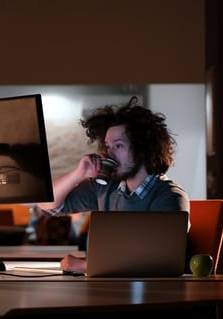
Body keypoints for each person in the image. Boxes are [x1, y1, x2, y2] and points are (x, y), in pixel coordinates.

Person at [37, 96, 190, 274]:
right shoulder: (106, 187)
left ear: (143, 150)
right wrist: (78, 174)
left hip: (149, 295)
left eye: (118, 146)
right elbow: (47, 205)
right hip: (107, 289)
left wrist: (85, 266)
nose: (109, 154)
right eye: (108, 147)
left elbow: (160, 260)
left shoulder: (170, 197)